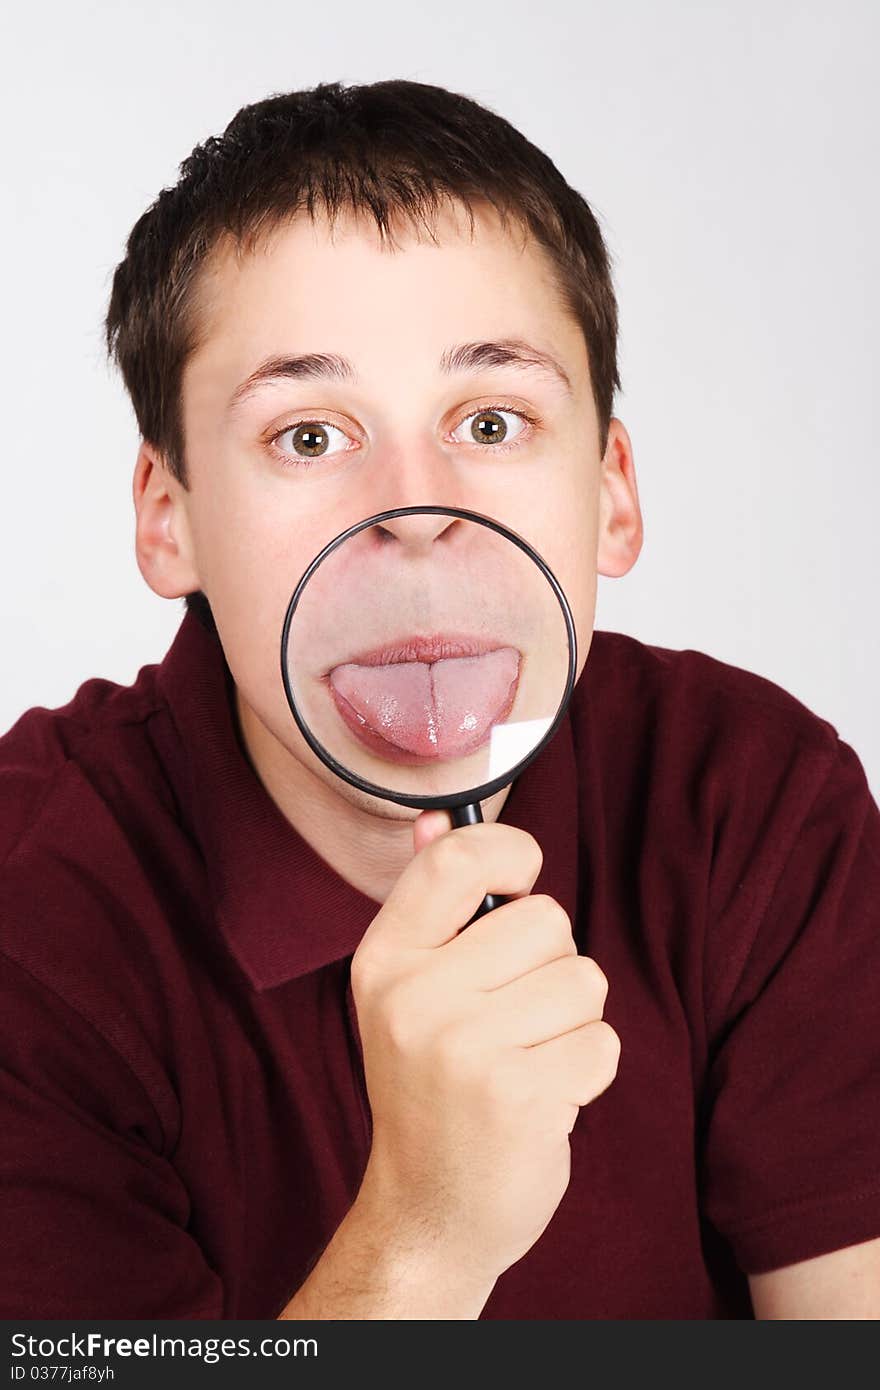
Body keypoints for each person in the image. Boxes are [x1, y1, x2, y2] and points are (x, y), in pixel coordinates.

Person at [1, 79, 878, 1321]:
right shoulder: (31, 916)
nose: (416, 509)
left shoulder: (754, 801)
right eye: (309, 434)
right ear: (169, 517)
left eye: (490, 418)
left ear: (611, 494)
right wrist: (425, 1232)